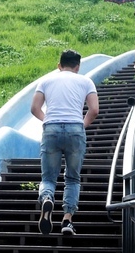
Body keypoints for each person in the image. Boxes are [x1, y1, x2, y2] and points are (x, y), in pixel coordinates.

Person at [30, 49, 99, 236]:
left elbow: (34, 108)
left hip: (51, 129)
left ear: (59, 65)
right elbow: (94, 110)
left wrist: (48, 120)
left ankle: (47, 199)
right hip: (75, 129)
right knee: (73, 178)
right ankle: (67, 221)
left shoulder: (46, 81)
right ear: (78, 66)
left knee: (48, 178)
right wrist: (81, 125)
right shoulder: (86, 81)